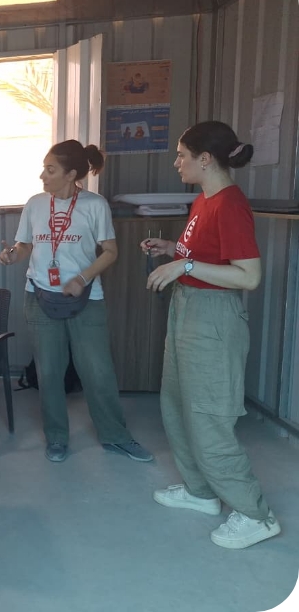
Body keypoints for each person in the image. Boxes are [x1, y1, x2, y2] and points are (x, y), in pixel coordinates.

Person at [143, 121, 280, 549]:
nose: (176, 162)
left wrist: (184, 266)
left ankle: (256, 515)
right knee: (176, 405)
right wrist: (173, 251)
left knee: (208, 417)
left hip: (214, 319)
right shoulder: (204, 199)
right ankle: (201, 492)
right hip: (187, 309)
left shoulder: (230, 204)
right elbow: (205, 256)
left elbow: (248, 276)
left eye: (182, 155)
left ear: (205, 159)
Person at [0, 140, 152, 464]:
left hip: (87, 298)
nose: (43, 176)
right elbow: (24, 245)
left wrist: (82, 279)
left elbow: (110, 251)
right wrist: (13, 255)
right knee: (49, 373)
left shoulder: (95, 205)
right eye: (44, 168)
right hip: (39, 296)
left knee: (98, 371)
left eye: (50, 170)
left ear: (70, 174)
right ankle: (56, 437)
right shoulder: (35, 204)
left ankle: (116, 436)